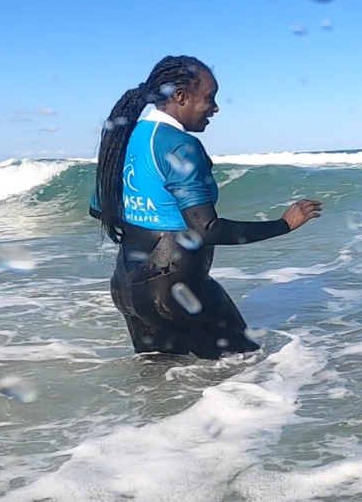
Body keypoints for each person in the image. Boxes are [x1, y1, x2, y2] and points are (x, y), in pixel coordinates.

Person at [90, 55, 322, 359]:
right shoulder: (179, 145)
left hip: (126, 284)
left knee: (158, 378)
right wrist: (284, 225)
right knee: (245, 368)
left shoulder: (124, 138)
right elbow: (205, 229)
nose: (215, 108)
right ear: (181, 97)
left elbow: (99, 208)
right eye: (209, 98)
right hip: (175, 287)